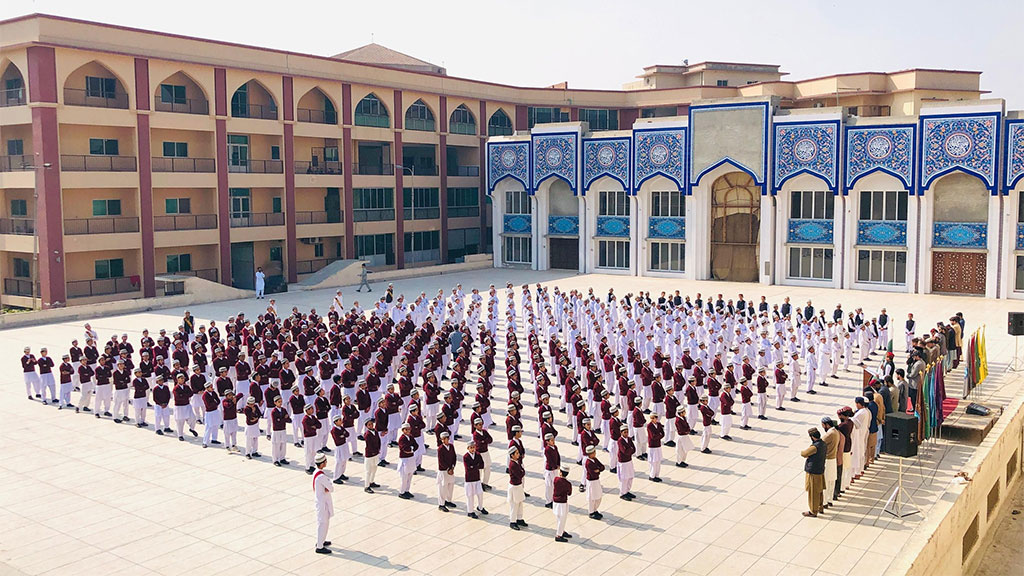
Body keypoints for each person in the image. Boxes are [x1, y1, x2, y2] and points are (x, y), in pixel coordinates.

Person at [801, 427, 827, 517]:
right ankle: (820, 507)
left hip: (813, 472)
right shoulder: (823, 444)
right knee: (819, 491)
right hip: (820, 470)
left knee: (813, 492)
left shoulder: (815, 447)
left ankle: (813, 511)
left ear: (812, 437)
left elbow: (804, 453)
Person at [312, 453, 334, 555]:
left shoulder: (316, 472)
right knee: (323, 523)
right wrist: (328, 486)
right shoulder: (321, 476)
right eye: (325, 461)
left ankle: (321, 540)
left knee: (323, 523)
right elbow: (331, 488)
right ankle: (320, 546)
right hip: (322, 503)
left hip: (321, 501)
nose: (326, 463)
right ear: (322, 463)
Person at [463, 442, 487, 518]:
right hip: (469, 479)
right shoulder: (466, 457)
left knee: (480, 493)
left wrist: (473, 466)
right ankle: (470, 511)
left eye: (474, 447)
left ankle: (480, 507)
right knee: (470, 495)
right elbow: (468, 468)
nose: (473, 449)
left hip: (477, 478)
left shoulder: (478, 455)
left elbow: (482, 464)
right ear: (468, 448)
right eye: (471, 447)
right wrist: (476, 466)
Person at [821, 417, 840, 510]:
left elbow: (820, 443)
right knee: (831, 481)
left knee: (826, 482)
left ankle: (824, 502)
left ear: (827, 425)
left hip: (828, 460)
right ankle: (830, 500)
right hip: (833, 459)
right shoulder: (836, 432)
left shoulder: (829, 434)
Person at [436, 431, 457, 511]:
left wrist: (452, 467)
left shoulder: (451, 446)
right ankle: (441, 504)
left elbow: (454, 457)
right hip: (444, 470)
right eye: (443, 439)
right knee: (442, 487)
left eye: (447, 438)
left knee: (450, 485)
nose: (445, 440)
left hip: (450, 470)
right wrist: (448, 468)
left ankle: (448, 500)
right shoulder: (440, 449)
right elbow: (441, 461)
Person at [507, 446, 527, 530]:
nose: (518, 454)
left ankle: (519, 518)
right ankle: (512, 521)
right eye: (517, 453)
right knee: (514, 505)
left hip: (518, 485)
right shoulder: (512, 464)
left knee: (520, 503)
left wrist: (522, 471)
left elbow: (522, 471)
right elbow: (520, 474)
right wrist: (522, 472)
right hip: (514, 486)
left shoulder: (516, 462)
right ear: (512, 455)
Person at [552, 464, 573, 542]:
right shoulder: (568, 484)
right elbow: (569, 493)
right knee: (562, 519)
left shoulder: (556, 479)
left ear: (560, 472)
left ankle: (561, 531)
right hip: (562, 503)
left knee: (559, 518)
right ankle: (559, 535)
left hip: (556, 501)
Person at [584, 444, 605, 520]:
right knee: (592, 497)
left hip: (596, 480)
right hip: (591, 481)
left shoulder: (595, 459)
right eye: (594, 452)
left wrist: (598, 470)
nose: (595, 453)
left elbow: (602, 467)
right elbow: (593, 473)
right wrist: (598, 470)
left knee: (598, 495)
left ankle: (595, 509)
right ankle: (591, 511)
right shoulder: (588, 463)